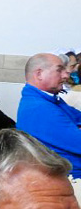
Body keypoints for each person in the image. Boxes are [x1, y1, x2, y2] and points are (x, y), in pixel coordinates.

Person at [17, 53, 81, 181]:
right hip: (70, 180)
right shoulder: (39, 108)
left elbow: (78, 117)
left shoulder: (49, 99)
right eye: (59, 70)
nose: (66, 74)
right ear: (39, 74)